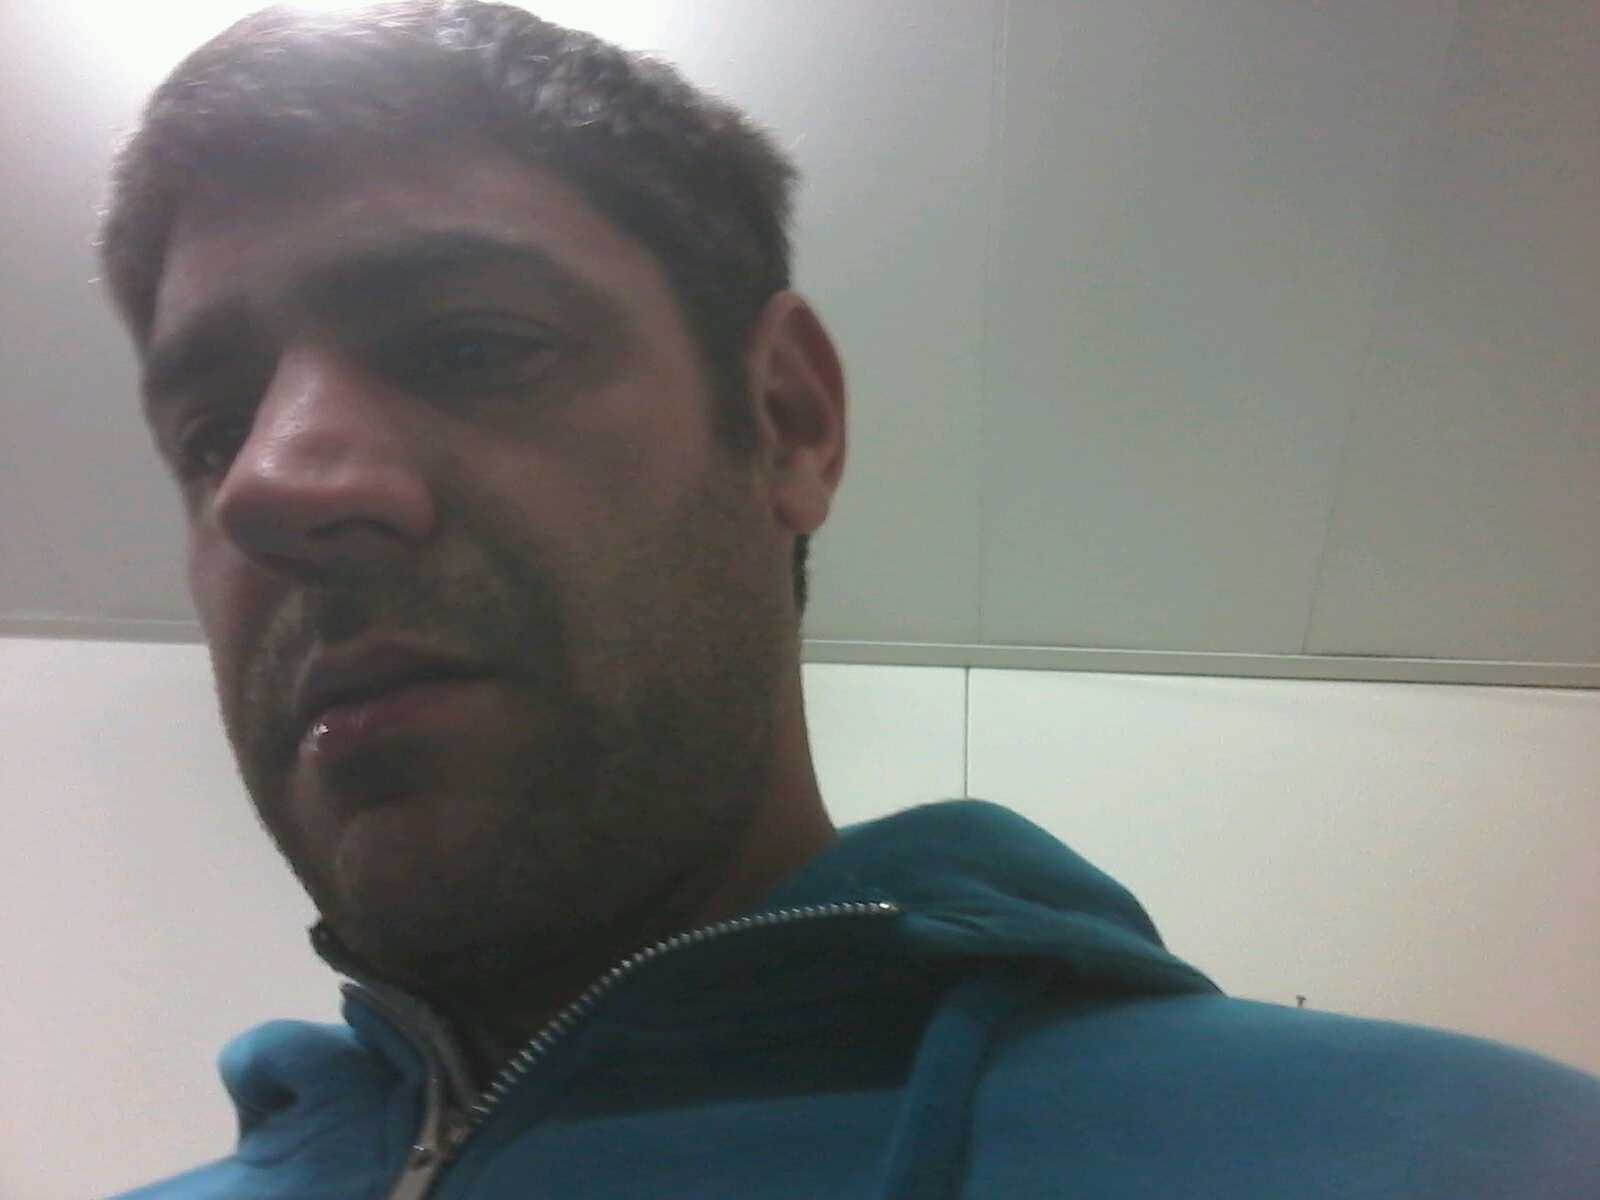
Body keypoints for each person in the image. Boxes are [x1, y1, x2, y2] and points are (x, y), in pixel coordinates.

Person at [99, 3, 1599, 1197]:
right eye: (210, 433)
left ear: (788, 421)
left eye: (471, 346)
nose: (267, 486)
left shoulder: (1471, 1162)